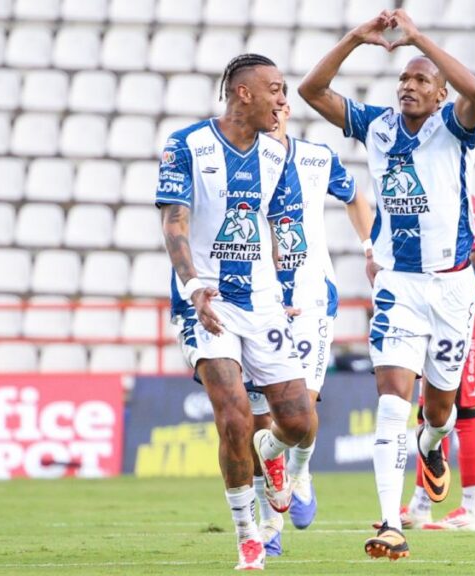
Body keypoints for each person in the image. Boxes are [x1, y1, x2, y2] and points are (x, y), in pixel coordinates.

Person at [299, 8, 475, 560]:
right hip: (398, 283)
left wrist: (418, 37)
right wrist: (357, 37)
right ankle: (389, 523)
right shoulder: (376, 124)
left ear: (440, 93)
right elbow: (312, 89)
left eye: (421, 79)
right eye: (403, 77)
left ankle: (433, 447)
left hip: (452, 286)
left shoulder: (456, 126)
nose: (408, 85)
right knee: (390, 402)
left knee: (439, 409)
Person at [158, 53, 313, 571]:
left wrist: (290, 287)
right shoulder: (186, 145)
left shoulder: (277, 155)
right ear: (243, 93)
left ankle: (273, 453)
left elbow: (286, 227)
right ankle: (248, 536)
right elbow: (175, 224)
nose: (283, 102)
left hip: (265, 304)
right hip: (208, 304)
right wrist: (194, 286)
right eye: (275, 90)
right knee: (232, 415)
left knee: (299, 425)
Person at [245, 90, 374, 556]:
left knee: (302, 409)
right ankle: (269, 528)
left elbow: (357, 197)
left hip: (313, 295)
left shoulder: (318, 158)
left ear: (287, 109)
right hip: (257, 299)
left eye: (281, 98)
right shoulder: (236, 162)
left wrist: (368, 249)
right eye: (268, 99)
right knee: (263, 413)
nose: (276, 106)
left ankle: (297, 469)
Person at [399, 195, 475, 531]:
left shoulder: (460, 196)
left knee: (465, 413)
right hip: (433, 319)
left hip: (463, 320)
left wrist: (451, 287)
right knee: (429, 414)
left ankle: (473, 509)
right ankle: (421, 504)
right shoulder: (419, 194)